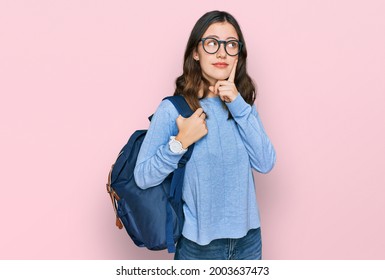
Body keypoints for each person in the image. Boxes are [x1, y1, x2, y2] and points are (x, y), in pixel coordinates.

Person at [134, 10, 276, 260]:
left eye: (231, 45)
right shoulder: (173, 109)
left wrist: (239, 106)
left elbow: (265, 163)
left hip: (249, 241)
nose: (222, 52)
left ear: (238, 55)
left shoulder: (243, 107)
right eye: (212, 43)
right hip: (199, 247)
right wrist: (180, 143)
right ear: (195, 53)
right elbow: (143, 177)